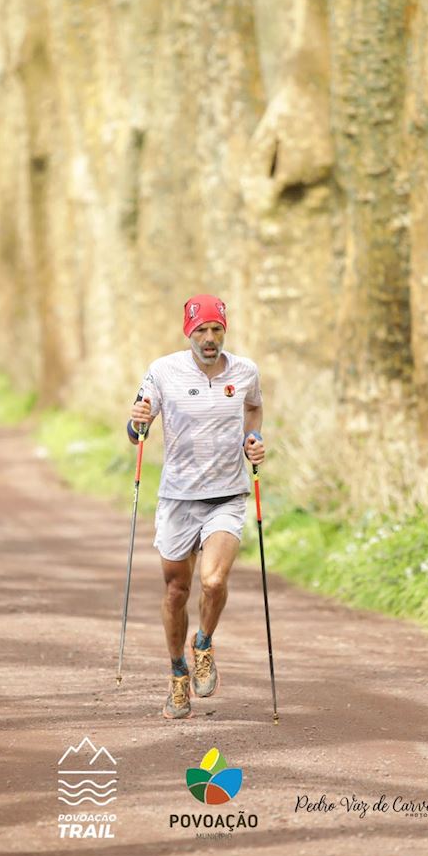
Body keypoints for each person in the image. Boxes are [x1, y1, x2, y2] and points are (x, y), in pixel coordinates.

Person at [127, 294, 266, 720]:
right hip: (177, 498)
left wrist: (253, 440)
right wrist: (137, 421)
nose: (209, 339)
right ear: (188, 332)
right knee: (176, 591)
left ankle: (203, 643)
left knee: (213, 581)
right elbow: (137, 431)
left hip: (226, 494)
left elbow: (254, 408)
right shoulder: (163, 371)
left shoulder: (245, 372)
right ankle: (176, 673)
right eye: (201, 331)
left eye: (216, 330)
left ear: (225, 330)